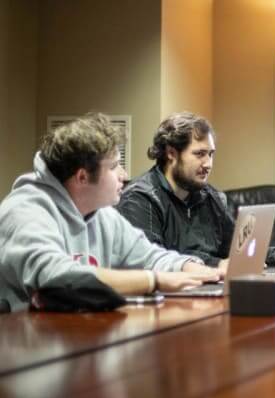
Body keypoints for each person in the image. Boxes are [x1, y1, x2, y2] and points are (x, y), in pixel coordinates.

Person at [0, 113, 219, 312]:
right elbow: (58, 278)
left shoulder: (103, 215)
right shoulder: (25, 212)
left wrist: (196, 269)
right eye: (114, 166)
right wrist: (154, 280)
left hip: (77, 335)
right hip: (26, 344)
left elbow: (149, 256)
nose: (123, 174)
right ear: (82, 177)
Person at [117, 112, 234, 273]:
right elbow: (153, 261)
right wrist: (216, 264)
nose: (208, 164)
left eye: (211, 154)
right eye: (199, 154)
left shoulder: (212, 198)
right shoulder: (140, 198)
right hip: (167, 296)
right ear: (171, 153)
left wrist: (273, 255)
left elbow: (237, 250)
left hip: (210, 288)